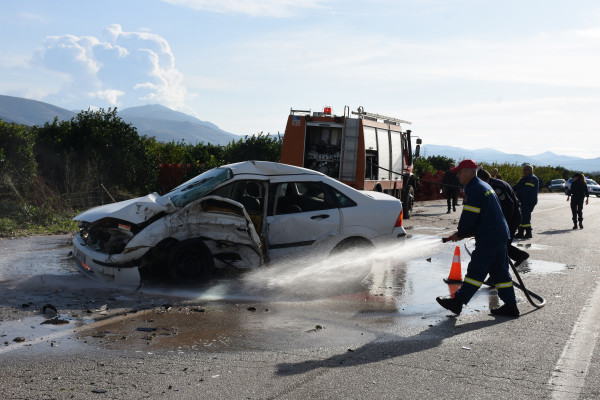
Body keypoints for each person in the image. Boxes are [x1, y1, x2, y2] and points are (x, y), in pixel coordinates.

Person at [436, 159, 519, 318]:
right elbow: (484, 213)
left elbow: (470, 215)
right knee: (500, 273)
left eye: (459, 172)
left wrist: (461, 232)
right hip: (498, 233)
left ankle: (458, 302)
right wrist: (468, 232)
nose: (458, 176)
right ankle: (511, 305)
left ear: (468, 171)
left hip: (490, 236)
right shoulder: (484, 185)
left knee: (477, 270)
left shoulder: (474, 188)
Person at [477, 169, 529, 266]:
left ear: (481, 178)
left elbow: (508, 205)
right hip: (509, 216)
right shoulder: (493, 183)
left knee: (499, 245)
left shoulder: (496, 186)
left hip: (511, 217)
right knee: (501, 245)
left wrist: (503, 223)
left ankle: (518, 257)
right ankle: (519, 256)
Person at [513, 164, 539, 239]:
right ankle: (520, 232)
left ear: (529, 170)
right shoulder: (524, 178)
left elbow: (527, 189)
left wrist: (517, 193)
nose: (523, 171)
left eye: (525, 170)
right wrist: (509, 189)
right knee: (521, 216)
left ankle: (528, 233)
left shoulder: (532, 179)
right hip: (523, 201)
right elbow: (517, 186)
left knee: (526, 217)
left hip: (529, 201)